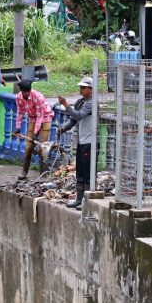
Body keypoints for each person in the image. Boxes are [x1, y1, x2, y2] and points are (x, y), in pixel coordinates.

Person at [57, 76, 94, 208]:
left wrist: (66, 105)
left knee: (88, 173)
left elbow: (78, 115)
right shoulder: (80, 102)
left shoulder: (92, 103)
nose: (81, 89)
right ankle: (79, 199)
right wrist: (63, 128)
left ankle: (87, 201)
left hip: (91, 141)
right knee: (80, 172)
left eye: (84, 87)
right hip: (82, 140)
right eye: (81, 87)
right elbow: (73, 119)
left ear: (91, 89)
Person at [12, 79, 54, 180]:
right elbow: (20, 112)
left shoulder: (37, 97)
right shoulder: (19, 97)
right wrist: (17, 127)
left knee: (42, 146)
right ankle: (24, 171)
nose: (26, 94)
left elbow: (40, 115)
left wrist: (35, 132)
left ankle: (43, 172)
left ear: (30, 90)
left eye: (28, 92)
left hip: (45, 118)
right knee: (28, 147)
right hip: (33, 119)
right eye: (24, 92)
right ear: (21, 91)